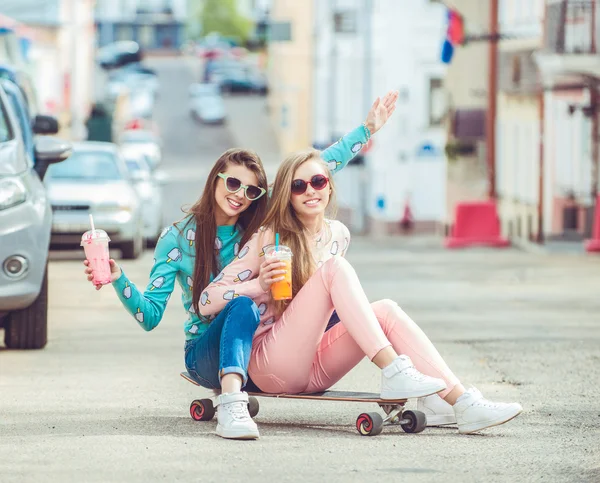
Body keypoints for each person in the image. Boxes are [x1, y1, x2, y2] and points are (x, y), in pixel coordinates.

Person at [83, 91, 400, 440]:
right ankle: (231, 404)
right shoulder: (176, 239)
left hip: (266, 350)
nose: (240, 195)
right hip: (207, 351)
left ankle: (404, 379)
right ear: (215, 179)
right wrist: (118, 279)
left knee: (337, 301)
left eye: (251, 191)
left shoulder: (258, 223)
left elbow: (313, 173)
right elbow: (149, 316)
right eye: (233, 183)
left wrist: (367, 130)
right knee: (243, 306)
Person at [199, 149, 523, 435]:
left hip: (314, 366)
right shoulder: (269, 238)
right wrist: (258, 286)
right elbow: (206, 302)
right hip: (271, 363)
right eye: (299, 186)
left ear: (329, 186)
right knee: (335, 270)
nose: (310, 191)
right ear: (287, 195)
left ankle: (461, 403)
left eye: (318, 182)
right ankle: (395, 370)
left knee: (386, 310)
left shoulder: (338, 234)